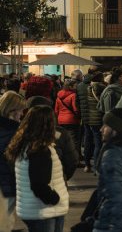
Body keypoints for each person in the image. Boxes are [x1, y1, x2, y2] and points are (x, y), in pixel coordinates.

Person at [5, 106, 68, 232]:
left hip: (33, 208)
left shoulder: (25, 144)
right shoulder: (40, 150)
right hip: (44, 210)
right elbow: (39, 185)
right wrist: (54, 198)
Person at [0, 92, 25, 231]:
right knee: (4, 224)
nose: (22, 114)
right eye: (21, 110)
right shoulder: (13, 131)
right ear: (12, 111)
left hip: (5, 183)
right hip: (5, 185)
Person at [81, 72, 105, 173]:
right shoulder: (101, 88)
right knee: (98, 143)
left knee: (88, 141)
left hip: (89, 118)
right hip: (98, 119)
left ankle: (88, 165)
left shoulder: (88, 88)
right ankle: (97, 166)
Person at [54, 78, 81, 162]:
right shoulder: (73, 95)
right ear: (70, 86)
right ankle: (75, 159)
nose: (76, 87)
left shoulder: (59, 95)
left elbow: (56, 110)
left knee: (63, 139)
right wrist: (79, 116)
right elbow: (75, 109)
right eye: (75, 85)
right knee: (73, 140)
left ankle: (64, 158)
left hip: (61, 120)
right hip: (71, 120)